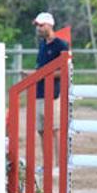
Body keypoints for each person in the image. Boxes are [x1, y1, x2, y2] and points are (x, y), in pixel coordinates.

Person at [34, 12, 69, 158]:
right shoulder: (42, 45)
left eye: (41, 25)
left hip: (54, 94)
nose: (38, 29)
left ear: (50, 25)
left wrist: (42, 74)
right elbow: (40, 67)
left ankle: (58, 164)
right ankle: (46, 163)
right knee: (41, 130)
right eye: (37, 26)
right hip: (39, 92)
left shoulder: (61, 45)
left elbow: (65, 71)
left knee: (55, 130)